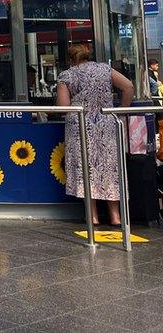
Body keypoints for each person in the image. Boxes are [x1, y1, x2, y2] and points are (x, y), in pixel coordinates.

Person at [56, 44, 134, 226]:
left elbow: (63, 106)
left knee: (85, 169)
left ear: (70, 59)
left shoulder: (66, 75)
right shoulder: (105, 69)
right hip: (106, 124)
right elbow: (129, 87)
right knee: (109, 169)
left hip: (80, 127)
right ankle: (115, 216)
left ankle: (93, 216)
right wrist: (121, 111)